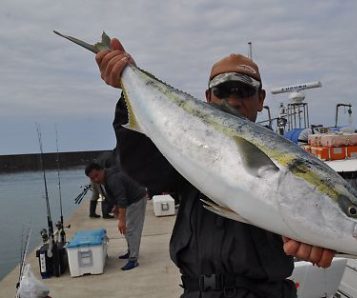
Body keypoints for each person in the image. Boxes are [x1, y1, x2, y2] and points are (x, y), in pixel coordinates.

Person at [95, 38, 335, 297]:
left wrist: (316, 238)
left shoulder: (285, 161)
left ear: (261, 99)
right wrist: (128, 90)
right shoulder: (188, 150)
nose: (232, 100)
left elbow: (306, 215)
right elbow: (143, 166)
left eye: (243, 91)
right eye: (222, 92)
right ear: (208, 97)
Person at [85, 162, 148, 271]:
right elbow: (115, 195)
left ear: (101, 170)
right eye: (92, 178)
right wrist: (115, 206)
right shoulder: (104, 179)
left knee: (132, 229)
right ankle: (130, 251)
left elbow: (122, 198)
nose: (95, 179)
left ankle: (133, 259)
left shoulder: (112, 179)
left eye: (96, 176)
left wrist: (122, 220)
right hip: (129, 199)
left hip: (136, 199)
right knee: (127, 229)